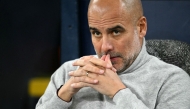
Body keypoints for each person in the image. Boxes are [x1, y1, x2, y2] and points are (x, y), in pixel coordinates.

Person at [36, 0, 190, 108]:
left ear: (141, 27)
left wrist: (117, 91)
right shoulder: (68, 73)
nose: (105, 46)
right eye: (96, 33)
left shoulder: (172, 80)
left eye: (116, 31)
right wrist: (62, 95)